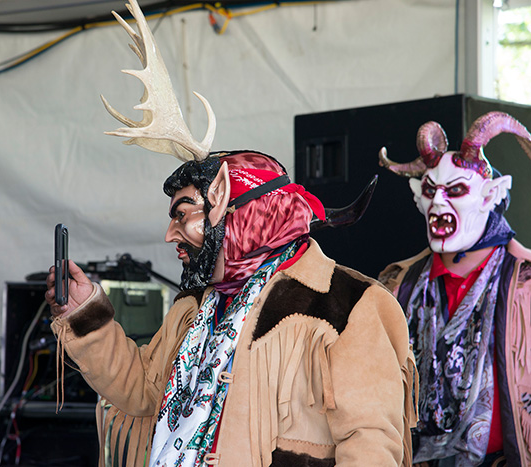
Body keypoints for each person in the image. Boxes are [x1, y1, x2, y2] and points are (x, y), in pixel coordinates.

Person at [45, 1, 416, 466]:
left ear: (229, 206)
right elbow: (142, 392)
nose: (169, 235)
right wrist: (86, 315)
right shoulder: (196, 308)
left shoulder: (348, 305)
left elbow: (371, 446)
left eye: (183, 214)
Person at [378, 111, 531, 467]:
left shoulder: (525, 283)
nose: (438, 204)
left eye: (456, 190)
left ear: (490, 195)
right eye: (431, 191)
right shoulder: (395, 285)